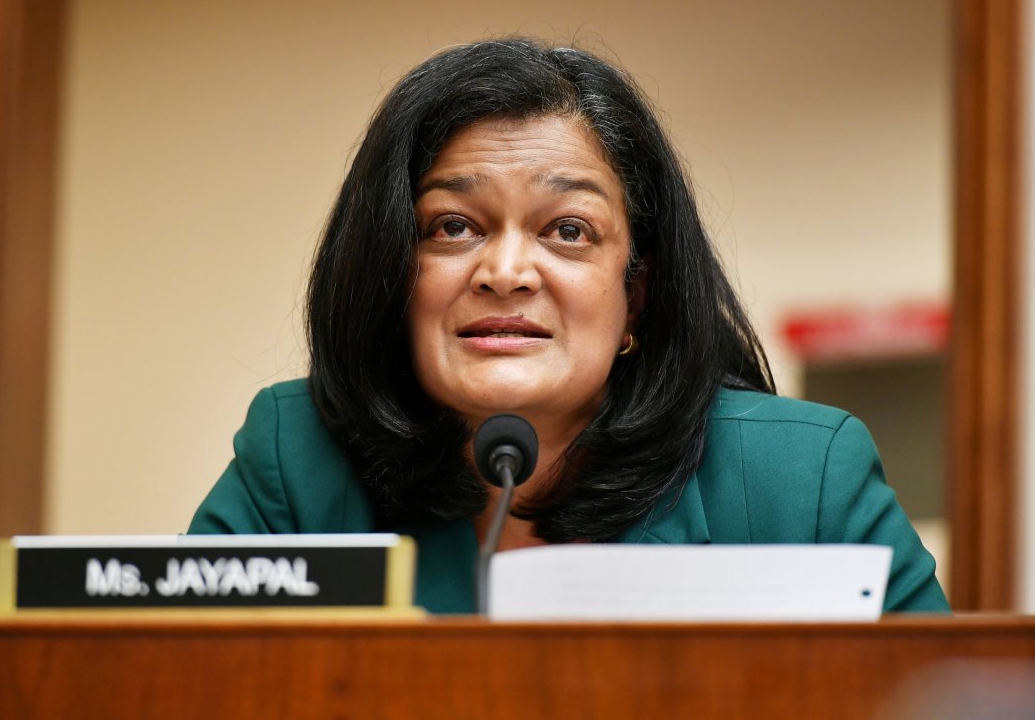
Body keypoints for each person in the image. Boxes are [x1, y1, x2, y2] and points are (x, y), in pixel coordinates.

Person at [189, 38, 949, 614]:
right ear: (391, 270)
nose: (506, 271)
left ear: (637, 292)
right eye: (453, 225)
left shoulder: (801, 480)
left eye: (569, 231)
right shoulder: (295, 461)